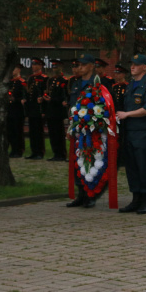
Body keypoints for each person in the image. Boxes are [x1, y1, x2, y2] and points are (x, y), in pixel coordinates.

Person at [117, 54, 146, 215]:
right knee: (132, 168)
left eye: (136, 64)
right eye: (132, 64)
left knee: (143, 167)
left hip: (143, 133)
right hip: (129, 132)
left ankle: (145, 200)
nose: (132, 67)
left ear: (144, 67)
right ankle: (135, 198)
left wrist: (127, 115)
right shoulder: (130, 85)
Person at [66, 54, 98, 208]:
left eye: (83, 65)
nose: (79, 68)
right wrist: (70, 126)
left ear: (91, 66)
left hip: (91, 129)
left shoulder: (97, 83)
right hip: (77, 128)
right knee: (76, 161)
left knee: (89, 161)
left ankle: (90, 195)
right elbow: (72, 106)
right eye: (78, 65)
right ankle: (81, 194)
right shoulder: (76, 83)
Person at [44, 59, 69, 161]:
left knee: (59, 133)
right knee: (52, 133)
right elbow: (48, 92)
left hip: (58, 110)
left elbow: (64, 96)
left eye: (56, 67)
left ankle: (61, 153)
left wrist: (53, 99)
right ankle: (55, 152)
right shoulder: (50, 80)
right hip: (50, 110)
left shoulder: (64, 81)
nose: (55, 69)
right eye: (53, 67)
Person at [25, 57, 48, 160]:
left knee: (39, 131)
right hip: (32, 108)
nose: (33, 66)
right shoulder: (30, 78)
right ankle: (34, 151)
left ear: (40, 66)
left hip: (39, 108)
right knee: (32, 131)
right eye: (33, 64)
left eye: (35, 65)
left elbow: (45, 93)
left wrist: (43, 109)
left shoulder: (44, 78)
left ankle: (40, 151)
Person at [6, 64, 26, 158]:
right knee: (10, 131)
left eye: (14, 69)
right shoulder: (10, 82)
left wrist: (16, 99)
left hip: (18, 111)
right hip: (10, 110)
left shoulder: (21, 83)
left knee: (18, 131)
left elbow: (24, 97)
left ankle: (19, 149)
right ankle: (13, 149)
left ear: (18, 70)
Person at [111, 65, 129, 167]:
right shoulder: (114, 87)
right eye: (116, 73)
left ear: (123, 74)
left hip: (124, 114)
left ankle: (123, 158)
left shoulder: (127, 86)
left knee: (123, 136)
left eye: (119, 73)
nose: (117, 75)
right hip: (115, 114)